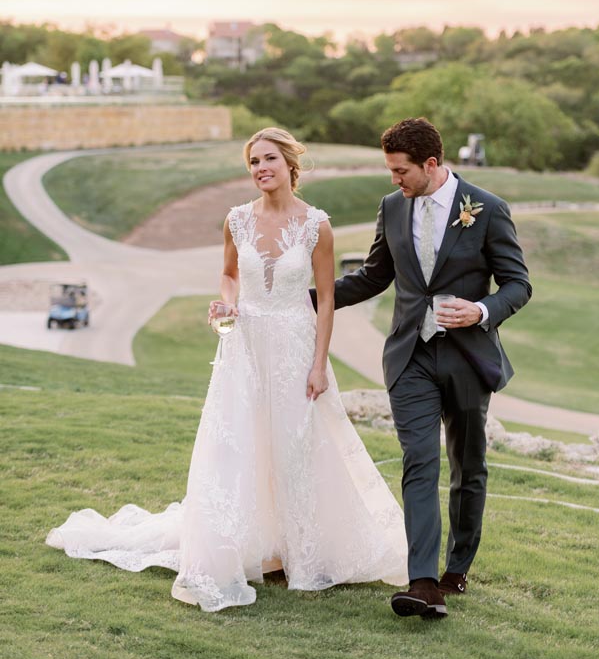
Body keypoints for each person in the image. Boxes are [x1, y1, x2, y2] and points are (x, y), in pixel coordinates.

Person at [46, 128, 408, 610]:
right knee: (241, 444)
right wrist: (227, 303)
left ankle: (300, 552)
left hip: (297, 346)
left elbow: (324, 302)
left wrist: (319, 364)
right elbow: (229, 275)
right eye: (253, 162)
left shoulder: (316, 225)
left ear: (289, 164)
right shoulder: (236, 220)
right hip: (247, 347)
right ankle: (256, 548)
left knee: (297, 448)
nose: (260, 168)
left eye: (269, 159)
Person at [314, 118, 531, 620]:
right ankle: (423, 582)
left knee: (467, 465)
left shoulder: (489, 210)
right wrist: (307, 300)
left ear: (430, 165)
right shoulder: (392, 208)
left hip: (468, 357)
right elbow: (372, 277)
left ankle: (457, 566)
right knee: (419, 461)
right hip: (409, 356)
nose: (394, 180)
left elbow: (518, 285)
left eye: (400, 170)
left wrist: (481, 311)